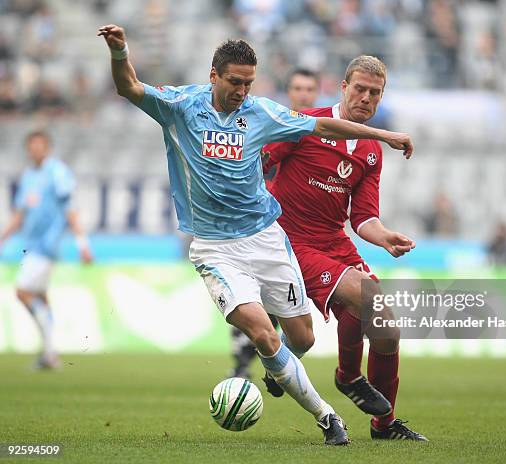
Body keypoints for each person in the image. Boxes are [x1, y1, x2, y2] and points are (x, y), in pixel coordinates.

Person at [98, 25, 413, 445]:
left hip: (266, 238)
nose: (242, 91)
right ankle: (329, 415)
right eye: (234, 82)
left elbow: (332, 144)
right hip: (220, 246)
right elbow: (130, 87)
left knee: (306, 336)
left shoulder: (262, 113)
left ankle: (292, 370)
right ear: (214, 76)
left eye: (248, 83)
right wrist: (120, 52)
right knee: (274, 331)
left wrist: (384, 136)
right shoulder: (181, 105)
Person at [261, 56, 427, 441]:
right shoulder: (306, 123)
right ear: (343, 87)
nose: (366, 98)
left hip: (335, 241)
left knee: (386, 328)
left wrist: (385, 236)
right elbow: (260, 160)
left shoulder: (370, 149)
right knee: (365, 296)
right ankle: (348, 377)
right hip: (291, 242)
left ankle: (384, 425)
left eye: (375, 93)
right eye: (360, 89)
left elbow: (363, 218)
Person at [229, 68, 320, 380]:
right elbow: (255, 162)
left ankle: (269, 362)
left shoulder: (316, 133)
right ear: (289, 92)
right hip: (263, 227)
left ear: (316, 93)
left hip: (300, 235)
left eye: (309, 89)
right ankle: (242, 364)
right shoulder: (275, 127)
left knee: (284, 309)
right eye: (297, 88)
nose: (304, 94)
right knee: (252, 297)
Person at [0, 130, 93, 369]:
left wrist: (82, 244)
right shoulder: (29, 175)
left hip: (46, 245)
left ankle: (50, 352)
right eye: (31, 146)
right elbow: (20, 214)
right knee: (40, 297)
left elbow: (70, 208)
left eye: (39, 145)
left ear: (47, 147)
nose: (35, 149)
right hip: (30, 245)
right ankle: (50, 354)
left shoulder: (57, 172)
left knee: (22, 292)